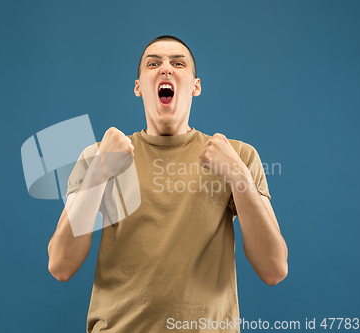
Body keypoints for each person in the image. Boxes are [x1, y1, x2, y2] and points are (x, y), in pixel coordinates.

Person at [47, 35, 288, 333]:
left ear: (196, 86)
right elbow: (60, 266)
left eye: (178, 63)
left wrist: (239, 177)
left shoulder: (238, 156)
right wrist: (98, 173)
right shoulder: (99, 157)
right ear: (138, 87)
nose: (165, 69)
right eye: (153, 63)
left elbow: (274, 269)